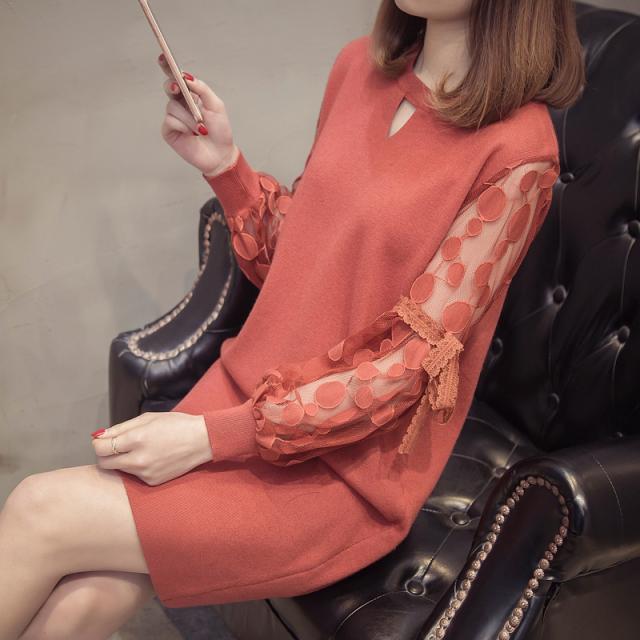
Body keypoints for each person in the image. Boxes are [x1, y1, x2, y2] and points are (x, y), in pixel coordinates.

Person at [0, 0, 584, 637]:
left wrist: (211, 438)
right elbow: (300, 260)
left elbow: (406, 369)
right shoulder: (357, 69)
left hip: (343, 474)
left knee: (39, 509)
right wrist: (226, 165)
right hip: (244, 396)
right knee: (96, 587)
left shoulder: (519, 152)